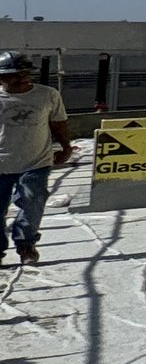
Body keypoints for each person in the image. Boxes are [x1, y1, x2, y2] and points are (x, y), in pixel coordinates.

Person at [0, 52, 72, 263]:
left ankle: (26, 244)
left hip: (35, 161)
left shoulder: (47, 95)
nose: (22, 77)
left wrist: (66, 147)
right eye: (14, 74)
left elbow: (58, 123)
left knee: (32, 203)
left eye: (25, 72)